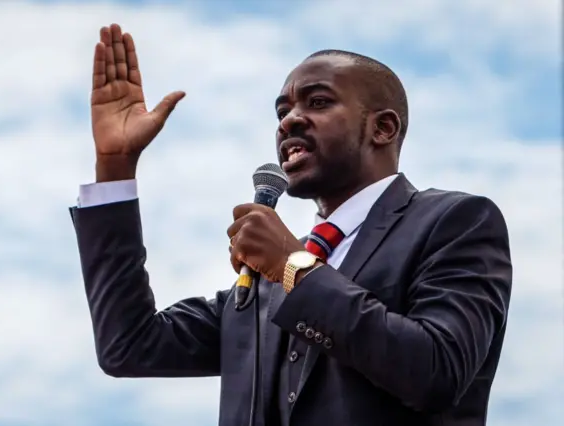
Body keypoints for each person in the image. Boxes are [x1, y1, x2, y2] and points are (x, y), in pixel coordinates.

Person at [70, 23, 513, 426]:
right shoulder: (262, 283)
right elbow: (129, 345)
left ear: (382, 128)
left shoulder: (456, 223)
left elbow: (436, 370)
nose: (289, 120)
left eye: (318, 102)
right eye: (282, 110)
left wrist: (291, 264)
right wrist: (115, 166)